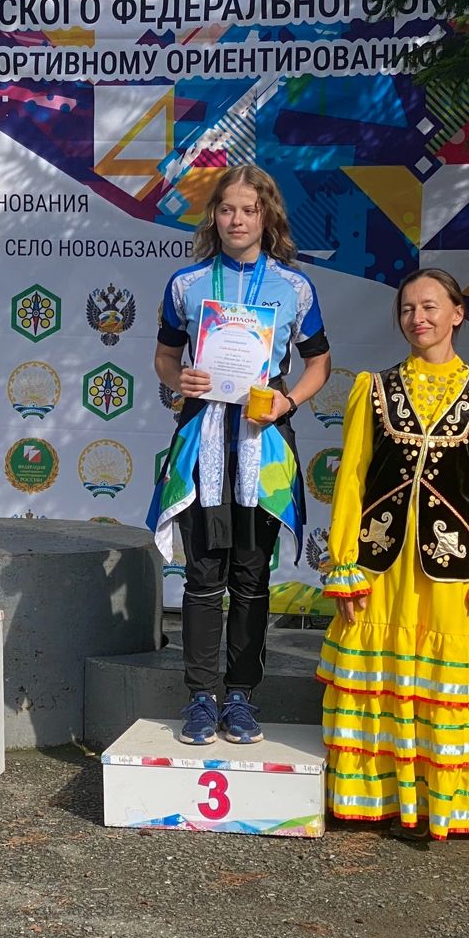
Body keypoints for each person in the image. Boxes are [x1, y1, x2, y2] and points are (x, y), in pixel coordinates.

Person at [316, 269, 469, 838]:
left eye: (430, 306)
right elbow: (352, 478)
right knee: (382, 674)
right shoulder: (373, 389)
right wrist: (345, 560)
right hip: (381, 563)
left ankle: (441, 805)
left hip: (450, 566)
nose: (417, 318)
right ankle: (378, 798)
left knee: (443, 680)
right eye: (407, 309)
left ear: (458, 313)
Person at [148, 165, 330, 746]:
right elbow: (164, 358)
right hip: (203, 439)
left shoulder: (295, 288)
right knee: (203, 577)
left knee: (251, 578)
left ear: (267, 216)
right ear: (214, 216)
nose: (237, 220)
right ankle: (201, 698)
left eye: (249, 210)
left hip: (263, 443)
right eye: (227, 209)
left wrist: (288, 401)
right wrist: (180, 381)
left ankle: (242, 698)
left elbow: (319, 363)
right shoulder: (186, 283)